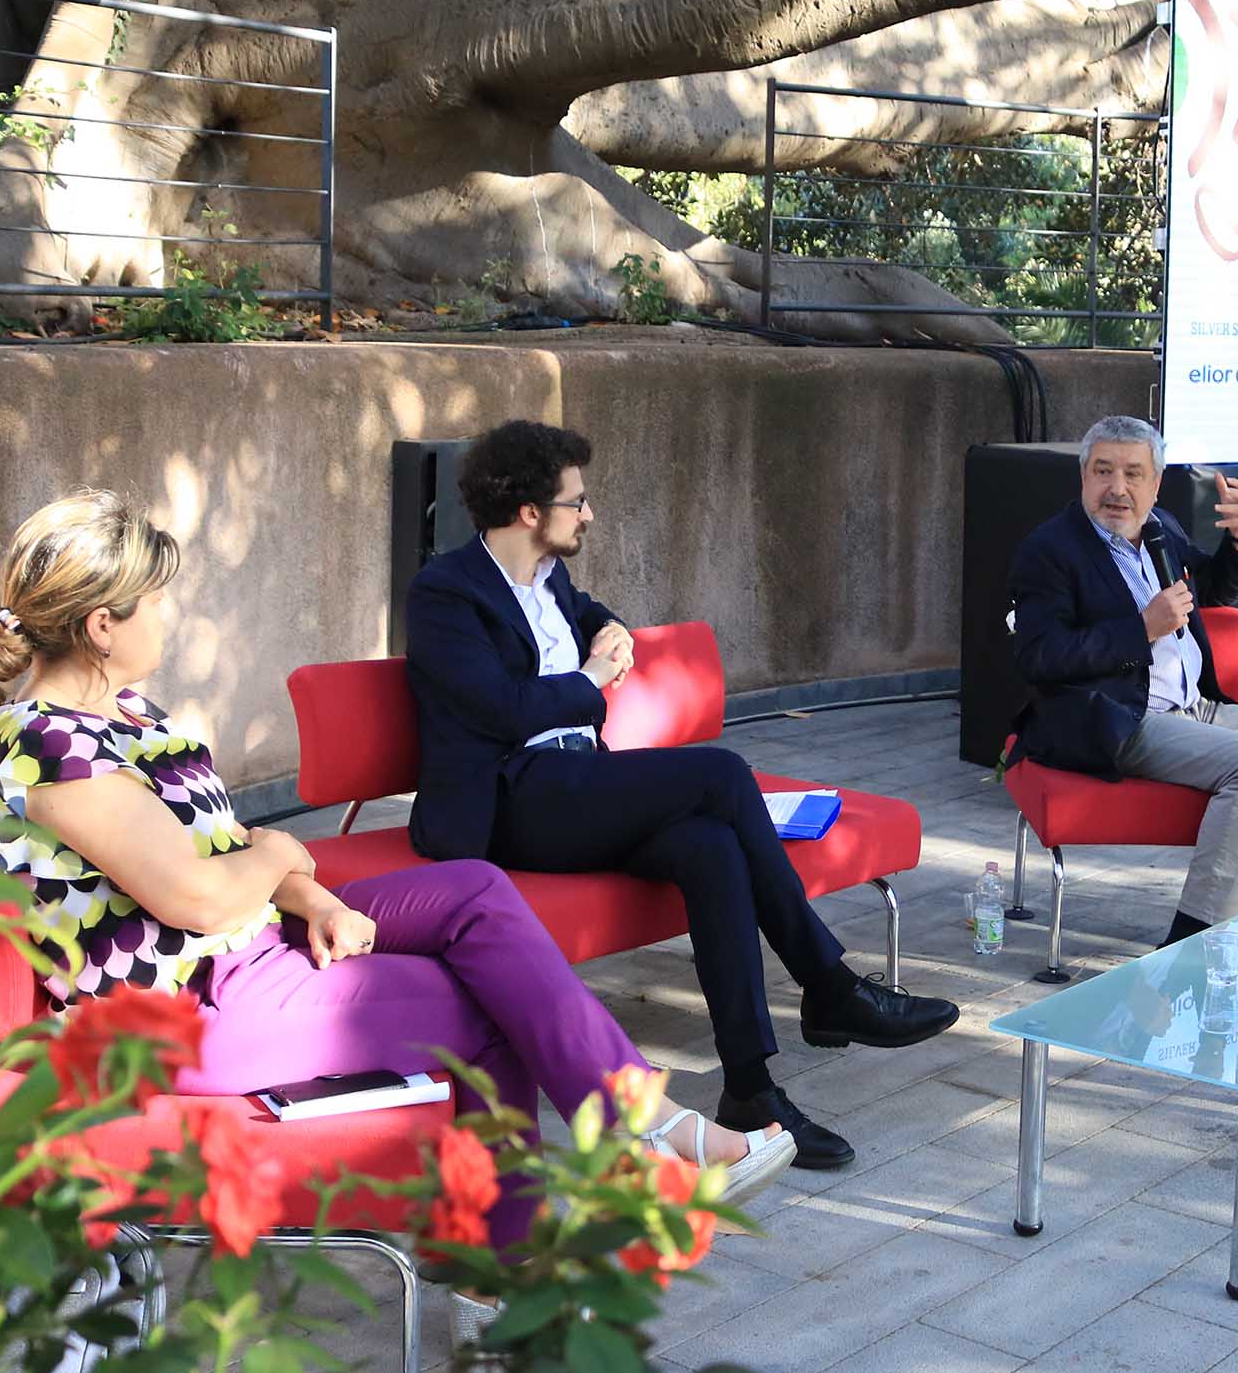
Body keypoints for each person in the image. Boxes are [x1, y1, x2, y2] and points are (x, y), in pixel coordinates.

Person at [0, 489, 794, 1258]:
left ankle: (627, 1139)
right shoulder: (47, 747)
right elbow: (200, 894)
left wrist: (313, 895)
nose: (167, 616)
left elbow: (224, 846)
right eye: (155, 600)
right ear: (102, 626)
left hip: (249, 947)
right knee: (493, 998)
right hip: (191, 1008)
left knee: (475, 889)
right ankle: (524, 1242)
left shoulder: (124, 715)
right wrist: (282, 854)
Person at [402, 420, 959, 1172]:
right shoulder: (446, 593)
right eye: (576, 501)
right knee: (720, 774)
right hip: (509, 799)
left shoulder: (548, 576)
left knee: (711, 846)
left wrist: (612, 630)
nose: (589, 513)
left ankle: (751, 1089)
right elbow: (499, 710)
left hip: (576, 783)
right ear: (529, 511)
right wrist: (592, 680)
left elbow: (588, 611)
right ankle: (828, 985)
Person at [1006, 415, 1238, 945]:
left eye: (1133, 474)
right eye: (1104, 471)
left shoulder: (1160, 528)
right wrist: (1141, 629)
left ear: (1156, 483)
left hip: (1195, 708)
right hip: (1122, 718)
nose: (1118, 488)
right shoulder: (1050, 550)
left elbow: (1209, 591)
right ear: (1083, 477)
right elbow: (1039, 656)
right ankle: (1194, 934)